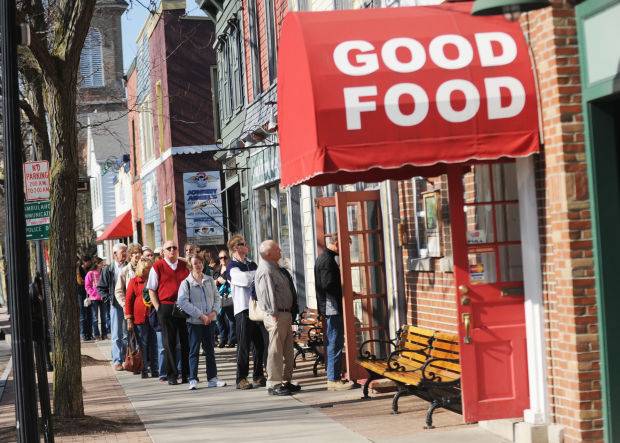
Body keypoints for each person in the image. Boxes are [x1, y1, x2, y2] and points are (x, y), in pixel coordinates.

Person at [255, 240, 301, 396]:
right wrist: (273, 313)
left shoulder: (276, 268)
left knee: (287, 350)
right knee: (275, 350)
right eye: (276, 248)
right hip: (277, 314)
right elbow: (266, 294)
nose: (280, 250)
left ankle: (286, 381)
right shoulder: (265, 270)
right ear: (268, 253)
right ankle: (274, 383)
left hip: (285, 313)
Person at [178, 253, 226, 390]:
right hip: (194, 322)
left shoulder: (209, 280)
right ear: (190, 266)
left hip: (210, 321)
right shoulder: (186, 283)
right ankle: (193, 378)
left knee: (210, 350)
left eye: (200, 263)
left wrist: (213, 313)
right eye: (195, 263)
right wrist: (200, 315)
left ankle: (212, 377)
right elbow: (182, 302)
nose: (198, 265)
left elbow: (217, 298)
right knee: (194, 350)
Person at [314, 234, 354, 391]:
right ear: (337, 243)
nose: (347, 250)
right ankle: (333, 378)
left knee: (334, 341)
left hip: (331, 305)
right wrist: (344, 295)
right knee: (335, 341)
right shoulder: (327, 261)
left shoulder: (325, 258)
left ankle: (334, 376)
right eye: (346, 246)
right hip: (332, 306)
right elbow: (328, 286)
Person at [147, 240, 190, 385]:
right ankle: (171, 375)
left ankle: (186, 374)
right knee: (169, 343)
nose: (172, 250)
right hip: (166, 306)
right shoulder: (157, 266)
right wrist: (158, 308)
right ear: (163, 252)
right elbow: (152, 289)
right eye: (169, 248)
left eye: (175, 248)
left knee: (186, 341)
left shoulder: (184, 265)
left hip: (184, 306)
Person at [226, 235, 265, 390]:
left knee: (259, 344)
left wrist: (255, 276)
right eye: (244, 244)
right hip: (242, 309)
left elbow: (259, 279)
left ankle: (258, 375)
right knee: (243, 344)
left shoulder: (251, 263)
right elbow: (242, 280)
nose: (247, 246)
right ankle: (240, 378)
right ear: (236, 248)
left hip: (256, 308)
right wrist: (256, 275)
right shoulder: (231, 266)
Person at [125, 258, 158, 379]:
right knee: (142, 344)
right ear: (141, 269)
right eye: (146, 268)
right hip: (139, 318)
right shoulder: (134, 281)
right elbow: (128, 301)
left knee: (154, 343)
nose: (148, 270)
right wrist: (129, 319)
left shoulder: (154, 279)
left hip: (153, 316)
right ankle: (143, 369)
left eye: (150, 267)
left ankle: (155, 368)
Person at [98, 243, 128, 371]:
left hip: (128, 304)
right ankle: (117, 360)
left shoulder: (129, 267)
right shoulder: (108, 270)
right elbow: (101, 288)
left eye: (126, 252)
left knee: (127, 333)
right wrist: (108, 300)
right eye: (123, 252)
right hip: (115, 305)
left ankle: (126, 358)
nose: (125, 254)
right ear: (115, 254)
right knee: (116, 334)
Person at [214, 250, 235, 348]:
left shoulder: (232, 269)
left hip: (229, 297)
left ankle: (231, 340)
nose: (223, 259)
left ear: (229, 258)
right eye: (220, 258)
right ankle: (222, 339)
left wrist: (224, 281)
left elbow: (231, 281)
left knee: (230, 319)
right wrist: (217, 281)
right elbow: (214, 281)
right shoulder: (217, 270)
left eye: (225, 257)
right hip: (219, 297)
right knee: (219, 319)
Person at [85, 257, 108, 341]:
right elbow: (87, 286)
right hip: (94, 298)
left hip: (103, 297)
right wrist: (93, 293)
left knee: (104, 317)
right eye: (101, 263)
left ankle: (104, 335)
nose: (102, 264)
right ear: (96, 264)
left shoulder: (103, 272)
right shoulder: (90, 273)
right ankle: (97, 335)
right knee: (95, 318)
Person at [77, 255, 93, 341]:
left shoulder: (90, 268)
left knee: (89, 313)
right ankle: (83, 334)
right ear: (84, 262)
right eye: (88, 262)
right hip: (81, 293)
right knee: (83, 314)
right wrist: (88, 281)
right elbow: (79, 281)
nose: (89, 263)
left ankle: (89, 333)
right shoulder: (78, 269)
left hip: (89, 293)